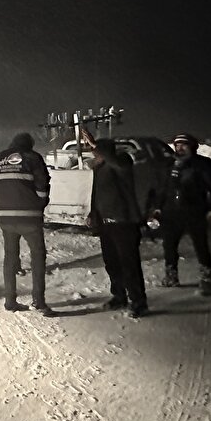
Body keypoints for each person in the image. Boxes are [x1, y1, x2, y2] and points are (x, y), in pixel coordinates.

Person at [85, 132, 148, 318]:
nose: (93, 153)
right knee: (111, 263)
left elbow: (119, 166)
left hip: (124, 222)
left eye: (95, 150)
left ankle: (138, 302)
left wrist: (98, 147)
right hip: (106, 224)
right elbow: (97, 194)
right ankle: (119, 296)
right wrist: (93, 213)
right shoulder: (100, 168)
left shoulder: (122, 161)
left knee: (129, 264)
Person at [150, 132, 211, 295]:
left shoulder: (201, 164)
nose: (179, 148)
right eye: (177, 145)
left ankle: (206, 280)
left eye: (183, 145)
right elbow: (163, 188)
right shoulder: (169, 164)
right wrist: (157, 206)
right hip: (171, 212)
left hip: (194, 211)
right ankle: (171, 276)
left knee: (200, 245)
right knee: (169, 246)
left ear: (192, 147)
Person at [0, 132, 54, 315]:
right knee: (37, 255)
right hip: (29, 216)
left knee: (10, 257)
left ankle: (10, 301)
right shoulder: (32, 158)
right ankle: (39, 301)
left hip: (5, 216)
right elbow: (42, 184)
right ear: (29, 145)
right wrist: (41, 202)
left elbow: (1, 181)